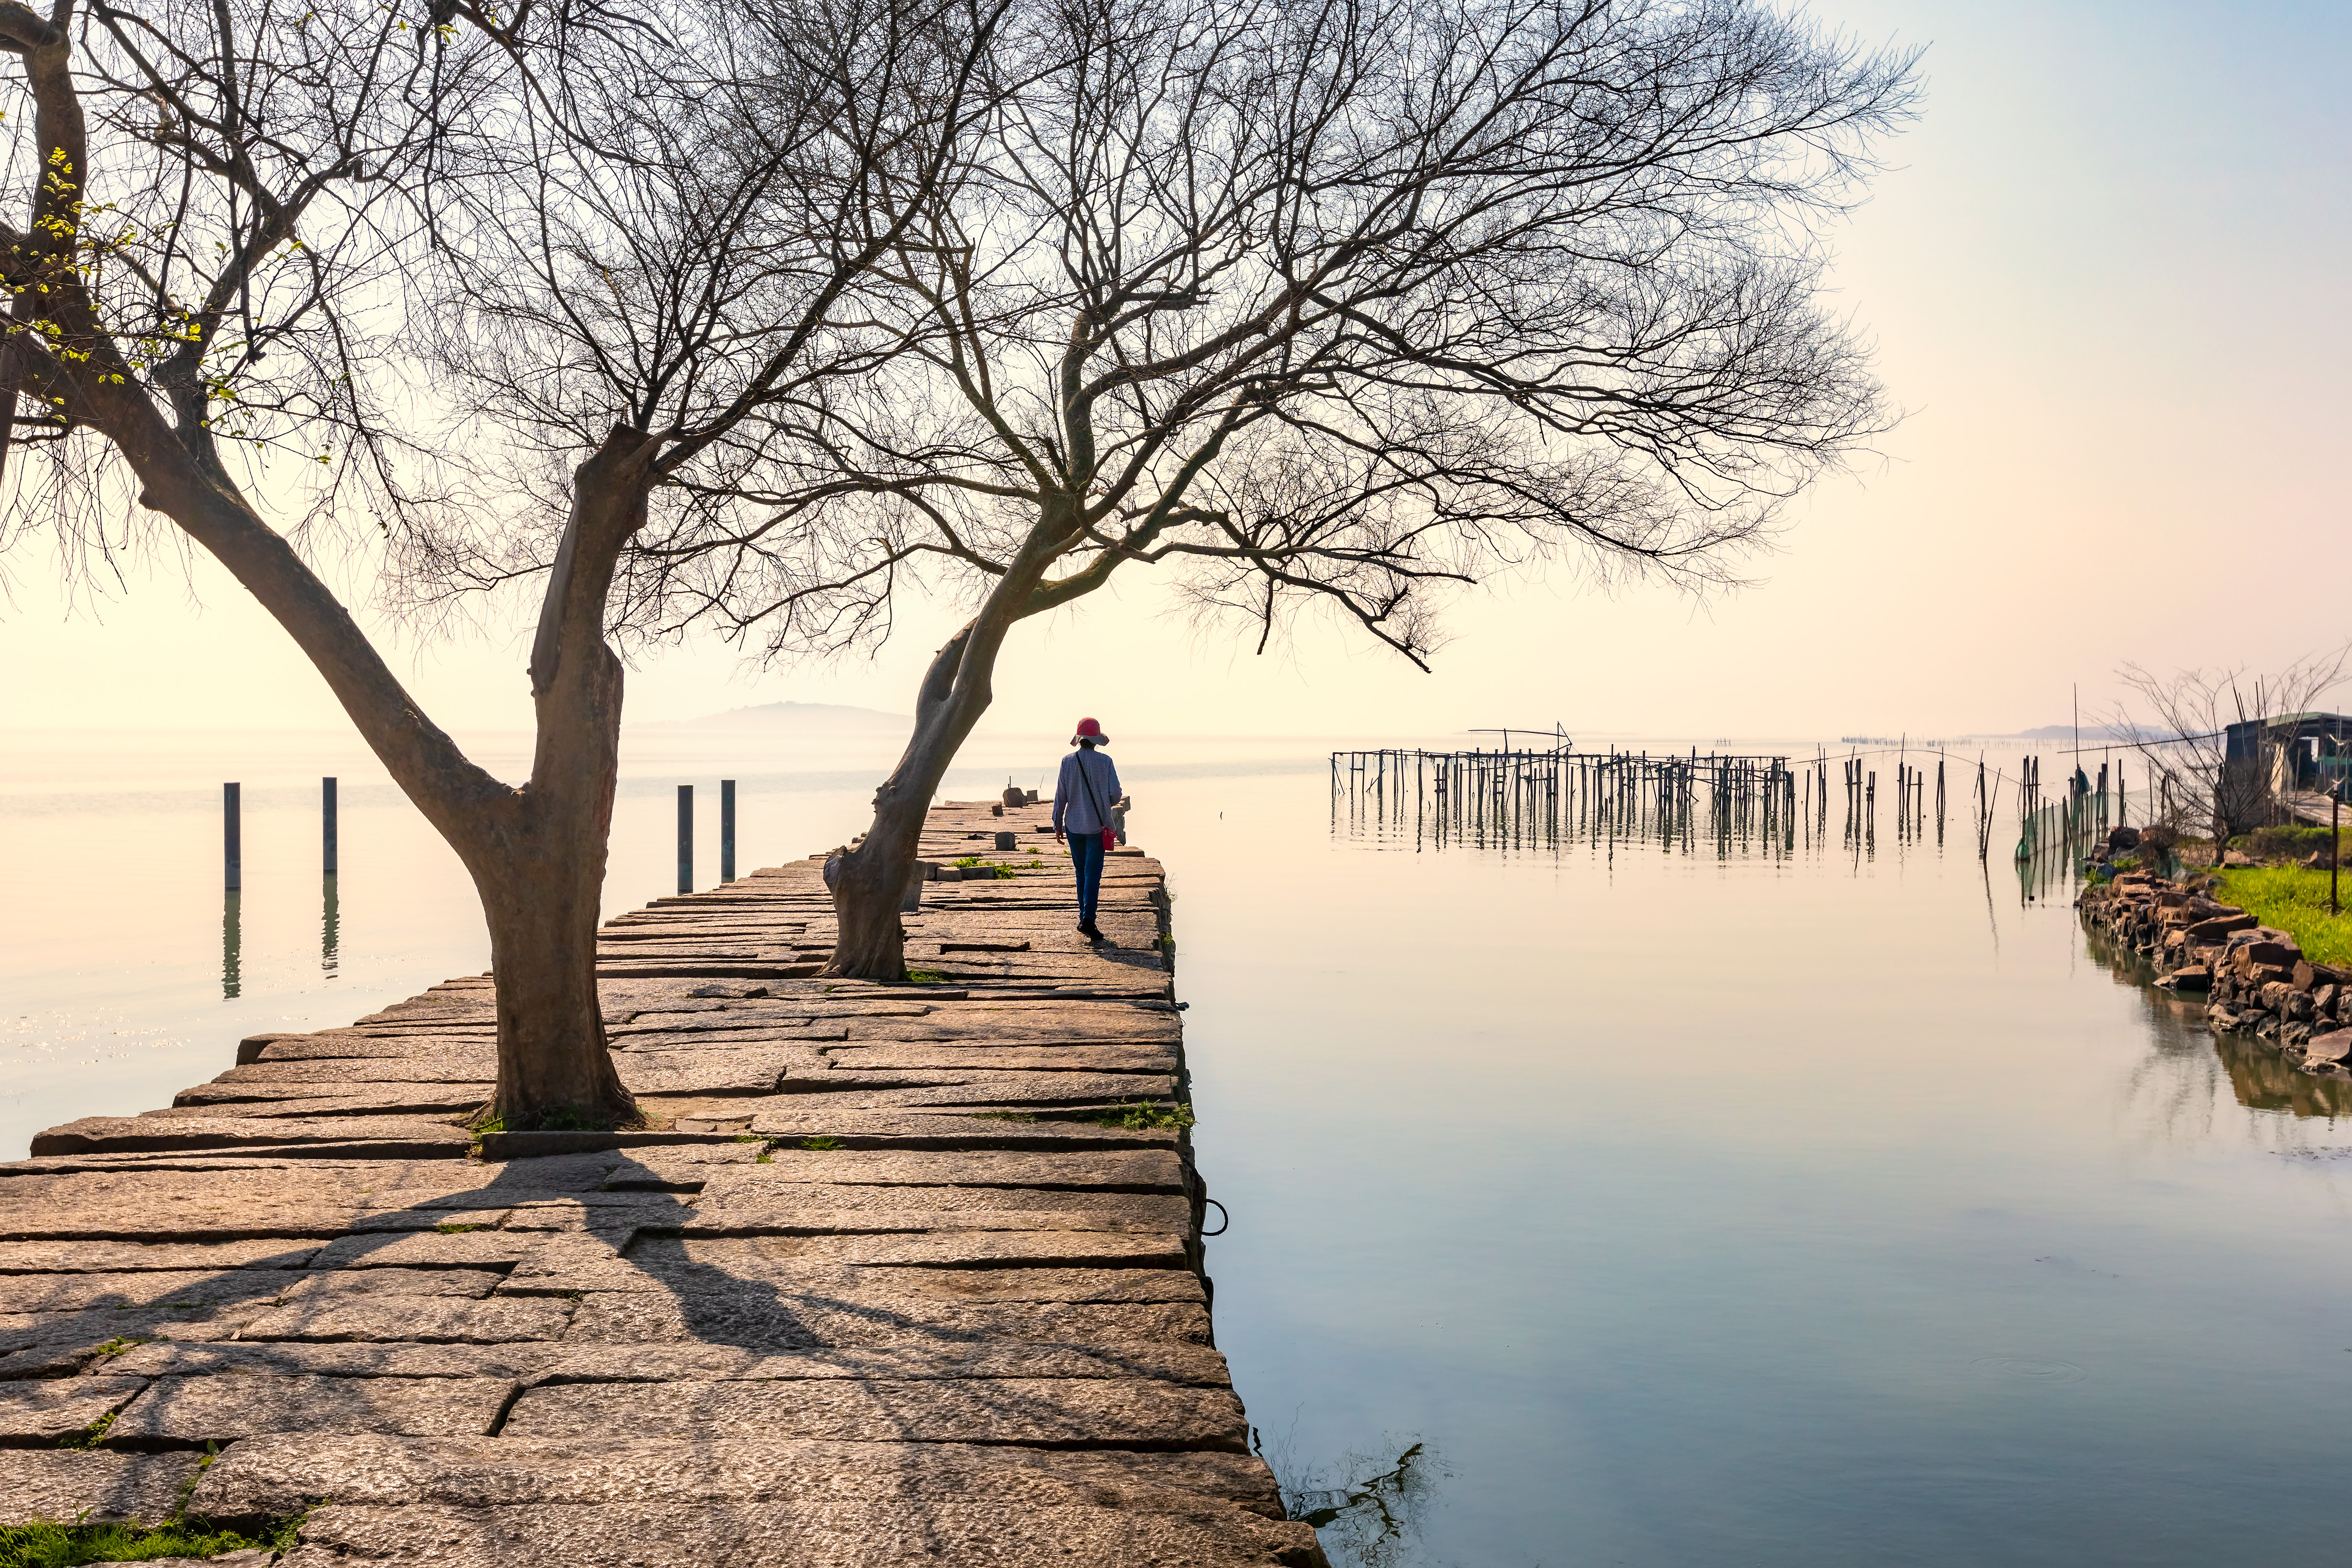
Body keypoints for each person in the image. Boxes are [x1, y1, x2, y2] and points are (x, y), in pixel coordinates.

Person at [1053, 717, 1122, 943]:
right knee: (1093, 873)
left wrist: (1057, 824)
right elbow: (1115, 794)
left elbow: (1060, 796)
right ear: (1096, 741)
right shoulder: (1106, 762)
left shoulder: (1067, 761)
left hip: (1073, 825)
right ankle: (1088, 921)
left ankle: (1084, 918)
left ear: (1080, 739)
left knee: (1081, 873)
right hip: (1096, 825)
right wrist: (1104, 800)